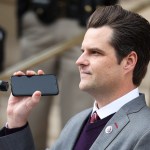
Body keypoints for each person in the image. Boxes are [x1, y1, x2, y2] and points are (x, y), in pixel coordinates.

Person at [1, 5, 150, 150]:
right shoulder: (76, 122)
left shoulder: (145, 133)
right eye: (83, 51)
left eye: (95, 52)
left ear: (129, 62)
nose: (79, 61)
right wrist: (16, 121)